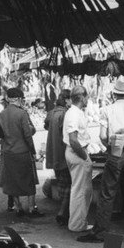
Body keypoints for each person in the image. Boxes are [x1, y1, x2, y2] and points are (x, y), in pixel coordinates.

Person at [77, 75, 124, 244]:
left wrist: (111, 143)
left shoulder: (107, 110)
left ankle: (100, 232)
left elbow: (102, 136)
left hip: (116, 152)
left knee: (108, 193)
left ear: (115, 94)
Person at [0, 87, 43, 218]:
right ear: (19, 100)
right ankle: (31, 207)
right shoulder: (22, 114)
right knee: (29, 180)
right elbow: (27, 135)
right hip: (23, 152)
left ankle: (18, 207)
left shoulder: (1, 115)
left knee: (13, 181)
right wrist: (33, 151)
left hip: (8, 153)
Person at [62, 85, 94, 232]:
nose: (88, 99)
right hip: (76, 153)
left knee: (81, 190)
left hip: (75, 152)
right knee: (80, 191)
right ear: (81, 97)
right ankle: (77, 225)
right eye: (87, 97)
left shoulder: (76, 112)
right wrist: (84, 156)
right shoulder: (73, 114)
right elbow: (73, 140)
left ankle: (78, 222)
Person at [44, 89, 72, 226]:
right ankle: (62, 212)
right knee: (68, 185)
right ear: (67, 100)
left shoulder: (52, 113)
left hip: (53, 153)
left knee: (62, 183)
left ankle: (63, 210)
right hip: (63, 153)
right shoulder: (65, 114)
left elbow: (46, 124)